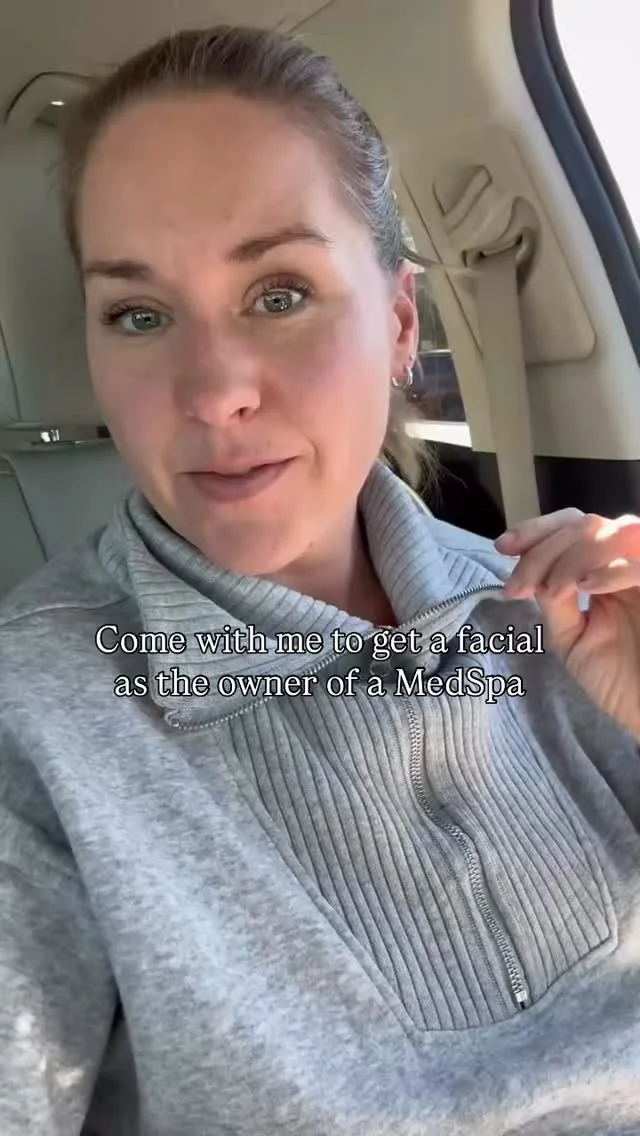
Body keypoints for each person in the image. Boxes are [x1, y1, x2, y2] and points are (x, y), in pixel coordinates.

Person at [1, 24, 640, 1136]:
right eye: (139, 314)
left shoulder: (565, 617)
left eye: (279, 293)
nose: (214, 392)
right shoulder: (35, 717)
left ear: (398, 323)